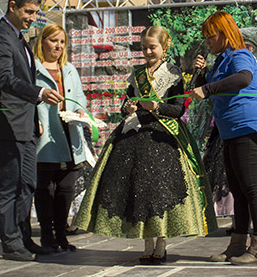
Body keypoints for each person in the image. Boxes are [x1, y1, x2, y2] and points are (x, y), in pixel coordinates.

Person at [75, 25, 217, 265]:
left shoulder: (173, 74)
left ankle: (161, 244)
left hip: (163, 139)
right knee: (138, 191)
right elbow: (125, 105)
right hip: (135, 137)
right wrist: (128, 108)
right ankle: (147, 244)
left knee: (160, 192)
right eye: (144, 47)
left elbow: (178, 109)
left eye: (152, 47)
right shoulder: (136, 73)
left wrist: (156, 107)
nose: (148, 51)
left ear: (164, 47)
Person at [0, 0, 63, 261]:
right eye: (29, 12)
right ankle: (10, 243)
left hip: (25, 124)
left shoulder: (18, 37)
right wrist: (39, 92)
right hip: (6, 123)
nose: (33, 17)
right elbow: (4, 79)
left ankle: (24, 238)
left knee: (28, 183)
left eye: (36, 12)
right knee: (9, 185)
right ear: (12, 6)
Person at [191, 11, 257, 265]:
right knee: (239, 192)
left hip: (246, 127)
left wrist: (207, 88)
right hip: (229, 131)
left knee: (252, 190)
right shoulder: (221, 61)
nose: (207, 41)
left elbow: (244, 78)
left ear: (224, 34)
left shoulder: (241, 55)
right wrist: (202, 74)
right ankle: (236, 245)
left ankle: (255, 247)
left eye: (210, 36)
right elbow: (207, 88)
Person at [33, 24, 87, 252]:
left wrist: (81, 111)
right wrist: (33, 121)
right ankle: (47, 236)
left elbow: (80, 97)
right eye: (54, 40)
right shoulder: (32, 69)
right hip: (45, 137)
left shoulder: (70, 69)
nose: (58, 46)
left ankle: (61, 234)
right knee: (45, 189)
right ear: (42, 41)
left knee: (66, 187)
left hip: (70, 133)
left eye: (62, 42)